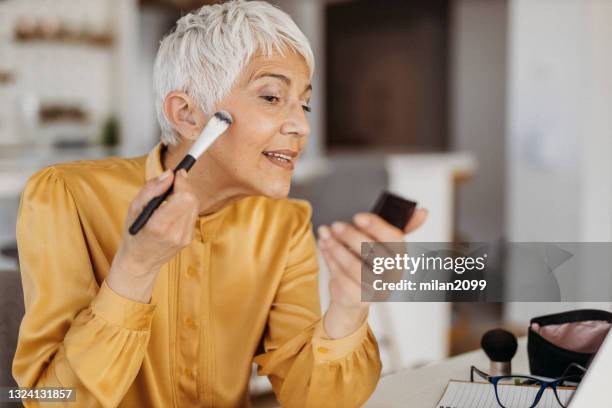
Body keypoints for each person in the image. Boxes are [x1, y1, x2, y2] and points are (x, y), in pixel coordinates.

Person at [13, 1, 427, 406]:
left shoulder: (285, 225)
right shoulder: (66, 196)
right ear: (188, 115)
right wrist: (135, 269)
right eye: (271, 97)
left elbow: (314, 399)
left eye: (304, 103)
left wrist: (349, 306)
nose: (301, 125)